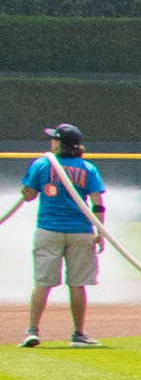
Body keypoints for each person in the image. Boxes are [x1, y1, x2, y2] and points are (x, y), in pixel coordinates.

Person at [9, 124, 106, 347]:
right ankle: (79, 334)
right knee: (77, 284)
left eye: (54, 139)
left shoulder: (42, 164)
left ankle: (32, 330)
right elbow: (98, 205)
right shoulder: (88, 168)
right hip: (81, 231)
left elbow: (28, 195)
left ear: (60, 143)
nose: (51, 142)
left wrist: (30, 182)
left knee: (43, 282)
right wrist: (101, 232)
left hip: (48, 229)